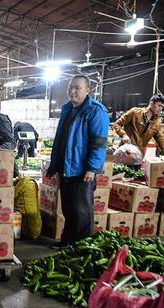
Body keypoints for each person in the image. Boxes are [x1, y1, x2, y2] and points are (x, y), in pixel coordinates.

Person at [46, 75, 108, 248]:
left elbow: (99, 142)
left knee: (82, 212)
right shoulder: (67, 109)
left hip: (82, 171)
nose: (72, 91)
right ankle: (68, 241)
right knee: (69, 209)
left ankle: (82, 247)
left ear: (87, 90)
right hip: (67, 168)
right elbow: (61, 140)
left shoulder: (96, 111)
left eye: (77, 88)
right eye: (70, 88)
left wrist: (92, 168)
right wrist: (55, 165)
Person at [113, 93, 164, 158]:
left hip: (138, 154)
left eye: (162, 106)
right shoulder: (134, 112)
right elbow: (117, 124)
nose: (161, 109)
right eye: (159, 105)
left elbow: (160, 138)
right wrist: (123, 135)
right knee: (121, 168)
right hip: (124, 151)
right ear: (151, 103)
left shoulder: (157, 122)